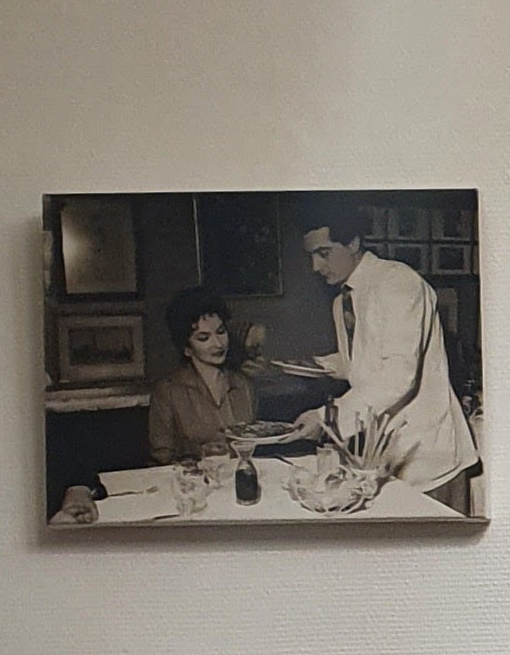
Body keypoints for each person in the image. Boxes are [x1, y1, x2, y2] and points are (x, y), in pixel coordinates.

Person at [272, 204, 480, 503]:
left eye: (324, 253)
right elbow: (361, 362)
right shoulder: (343, 300)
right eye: (311, 256)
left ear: (353, 243)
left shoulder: (398, 283)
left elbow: (398, 375)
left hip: (427, 458)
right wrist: (310, 365)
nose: (315, 266)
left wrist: (327, 417)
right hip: (381, 456)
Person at [143, 286, 256, 462]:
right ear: (187, 348)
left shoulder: (243, 384)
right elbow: (161, 457)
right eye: (204, 338)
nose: (218, 344)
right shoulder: (168, 391)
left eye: (221, 332)